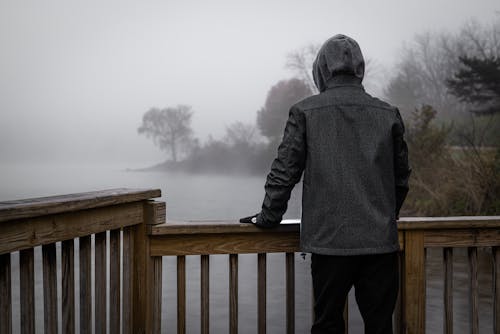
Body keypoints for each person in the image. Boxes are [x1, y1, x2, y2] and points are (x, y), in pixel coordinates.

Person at [240, 34, 411, 334]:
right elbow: (401, 178)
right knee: (380, 326)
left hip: (329, 245)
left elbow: (284, 172)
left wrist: (267, 218)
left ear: (321, 69)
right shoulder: (387, 114)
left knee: (328, 325)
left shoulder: (304, 112)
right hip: (380, 244)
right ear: (360, 69)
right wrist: (384, 216)